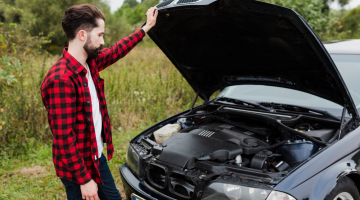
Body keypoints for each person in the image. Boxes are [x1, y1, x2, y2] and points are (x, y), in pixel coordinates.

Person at [40, 4, 158, 200]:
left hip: (95, 156)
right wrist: (85, 181)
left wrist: (145, 28)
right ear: (82, 36)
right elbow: (64, 138)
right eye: (100, 35)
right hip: (76, 168)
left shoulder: (89, 63)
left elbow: (116, 51)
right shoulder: (61, 79)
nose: (103, 42)